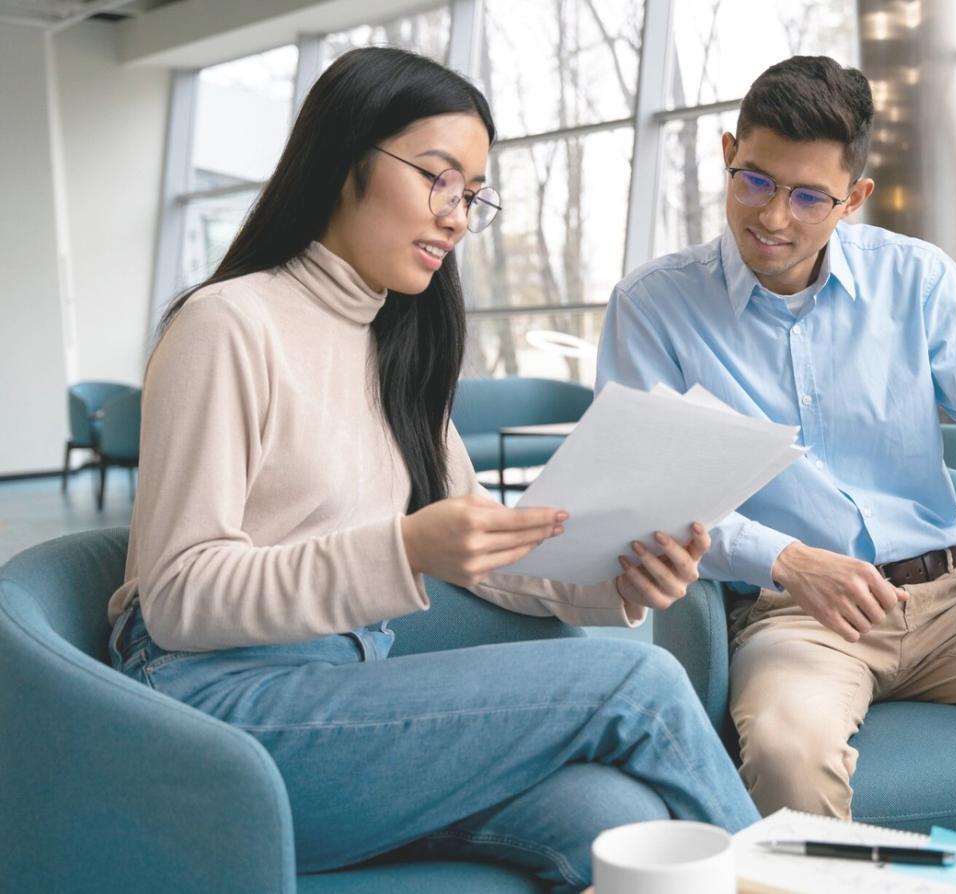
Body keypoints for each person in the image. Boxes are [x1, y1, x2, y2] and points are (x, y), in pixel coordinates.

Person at [105, 47, 757, 894]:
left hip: (343, 702)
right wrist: (404, 551)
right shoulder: (229, 324)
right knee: (635, 678)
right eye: (437, 180)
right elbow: (181, 595)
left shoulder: (394, 345)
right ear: (347, 162)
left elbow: (482, 544)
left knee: (607, 818)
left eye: (472, 196)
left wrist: (620, 575)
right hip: (214, 717)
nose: (456, 216)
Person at [597, 55, 956, 885]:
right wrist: (786, 559)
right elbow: (648, 497)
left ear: (853, 198)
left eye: (808, 195)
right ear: (727, 154)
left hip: (952, 606)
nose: (773, 217)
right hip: (795, 618)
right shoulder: (654, 306)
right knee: (790, 751)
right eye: (754, 180)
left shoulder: (917, 280)